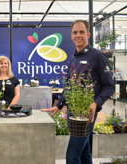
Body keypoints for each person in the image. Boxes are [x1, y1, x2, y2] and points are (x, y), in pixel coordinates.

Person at [41, 20, 114, 164]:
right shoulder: (73, 58)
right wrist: (59, 105)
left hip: (87, 115)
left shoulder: (97, 56)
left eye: (81, 32)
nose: (78, 35)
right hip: (72, 114)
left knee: (72, 156)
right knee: (84, 154)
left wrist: (95, 104)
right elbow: (69, 87)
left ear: (88, 34)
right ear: (71, 36)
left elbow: (109, 86)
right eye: (75, 32)